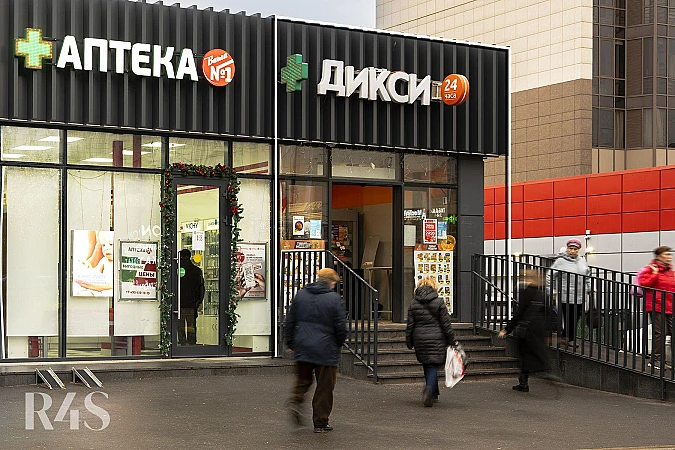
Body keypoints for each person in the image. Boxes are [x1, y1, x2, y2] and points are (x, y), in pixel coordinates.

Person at [285, 268, 346, 433]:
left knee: (303, 380)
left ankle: (296, 399)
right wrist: (339, 343)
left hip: (303, 345)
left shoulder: (301, 294)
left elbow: (290, 321)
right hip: (326, 348)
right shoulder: (334, 299)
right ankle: (320, 422)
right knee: (324, 386)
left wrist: (290, 343)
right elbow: (340, 325)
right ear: (331, 283)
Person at [405, 276, 457, 407]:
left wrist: (409, 341)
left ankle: (434, 393)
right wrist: (452, 341)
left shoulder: (413, 303)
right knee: (433, 365)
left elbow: (410, 325)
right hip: (437, 338)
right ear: (434, 287)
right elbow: (446, 324)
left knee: (427, 364)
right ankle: (429, 389)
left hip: (419, 338)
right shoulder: (439, 302)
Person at [499, 269, 549, 392]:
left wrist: (507, 329)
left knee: (523, 354)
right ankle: (541, 372)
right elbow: (549, 312)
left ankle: (524, 382)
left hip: (526, 329)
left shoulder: (526, 292)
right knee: (535, 352)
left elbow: (520, 312)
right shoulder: (542, 293)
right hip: (539, 327)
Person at [546, 238, 590, 348]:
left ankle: (566, 338)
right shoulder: (560, 261)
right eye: (570, 248)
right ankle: (569, 339)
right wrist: (551, 290)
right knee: (568, 317)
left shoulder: (582, 260)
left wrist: (589, 288)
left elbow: (587, 276)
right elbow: (550, 275)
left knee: (576, 318)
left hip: (579, 295)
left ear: (578, 250)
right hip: (565, 295)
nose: (573, 251)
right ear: (567, 249)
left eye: (575, 249)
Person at [637, 246, 674, 369]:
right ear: (659, 256)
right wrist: (654, 274)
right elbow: (644, 283)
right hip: (656, 305)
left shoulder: (670, 271)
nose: (669, 257)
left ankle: (668, 361)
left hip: (669, 306)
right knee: (660, 333)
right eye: (666, 254)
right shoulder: (650, 268)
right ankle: (656, 360)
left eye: (669, 254)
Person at [178, 249, 205, 346]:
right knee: (191, 326)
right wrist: (198, 302)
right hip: (192, 304)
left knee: (180, 326)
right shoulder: (197, 270)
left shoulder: (177, 270)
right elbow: (201, 288)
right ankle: (192, 345)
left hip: (180, 305)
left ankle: (182, 344)